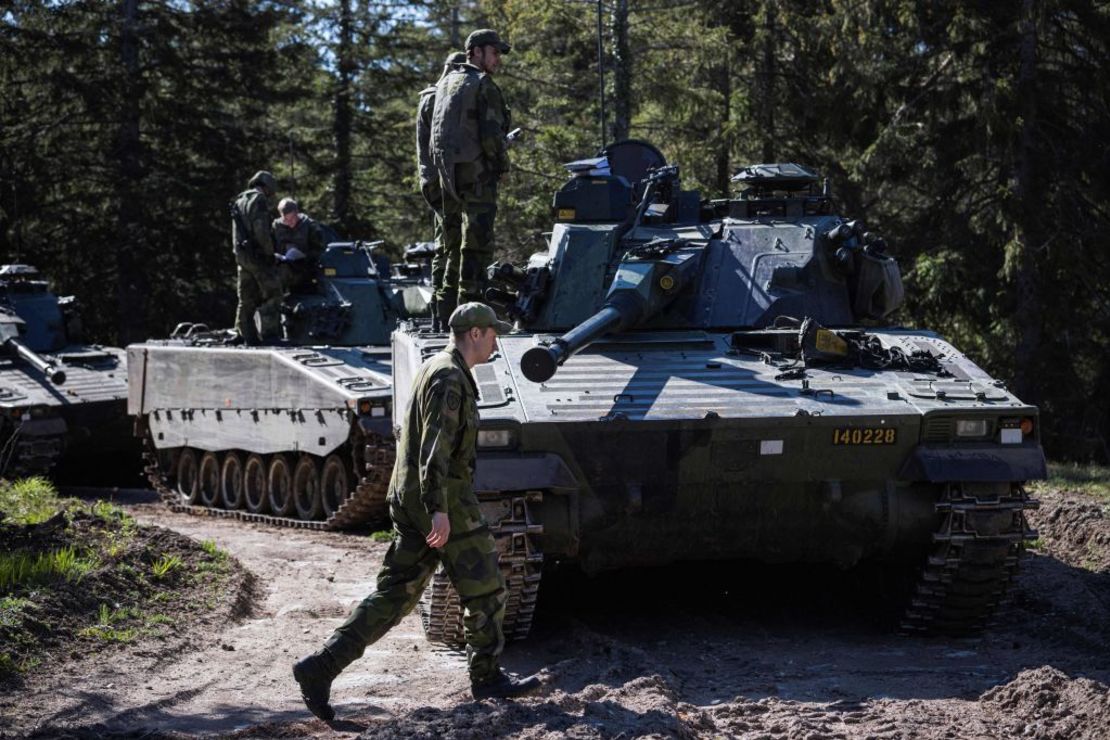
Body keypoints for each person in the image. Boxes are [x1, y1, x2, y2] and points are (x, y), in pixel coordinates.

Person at [292, 303, 540, 720]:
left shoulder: (437, 367)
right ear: (475, 334)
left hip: (412, 497)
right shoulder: (449, 377)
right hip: (441, 501)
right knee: (487, 588)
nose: (498, 340)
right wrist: (438, 509)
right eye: (493, 333)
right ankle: (487, 678)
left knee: (395, 595)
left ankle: (320, 666)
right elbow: (434, 450)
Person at [429, 29, 513, 324]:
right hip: (478, 177)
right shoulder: (482, 85)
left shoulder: (445, 84)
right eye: (494, 52)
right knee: (476, 247)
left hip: (449, 179)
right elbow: (491, 137)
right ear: (475, 52)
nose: (498, 59)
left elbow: (435, 136)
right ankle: (471, 319)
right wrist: (502, 167)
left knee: (451, 248)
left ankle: (445, 313)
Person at [417, 51, 467, 329]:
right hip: (442, 181)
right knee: (451, 247)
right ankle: (444, 312)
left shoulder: (429, 96)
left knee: (443, 246)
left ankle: (439, 311)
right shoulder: (438, 98)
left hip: (434, 180)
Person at [231, 171, 283, 344]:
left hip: (242, 257)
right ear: (266, 187)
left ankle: (245, 335)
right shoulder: (258, 200)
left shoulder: (240, 200)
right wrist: (269, 254)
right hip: (257, 256)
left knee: (246, 298)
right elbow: (261, 231)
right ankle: (270, 335)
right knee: (273, 293)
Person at [272, 197, 328, 293]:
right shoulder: (276, 226)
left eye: (293, 218)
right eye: (286, 220)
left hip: (304, 267)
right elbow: (270, 247)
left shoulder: (310, 226)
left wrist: (305, 256)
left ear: (297, 212)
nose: (290, 223)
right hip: (282, 265)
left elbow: (320, 251)